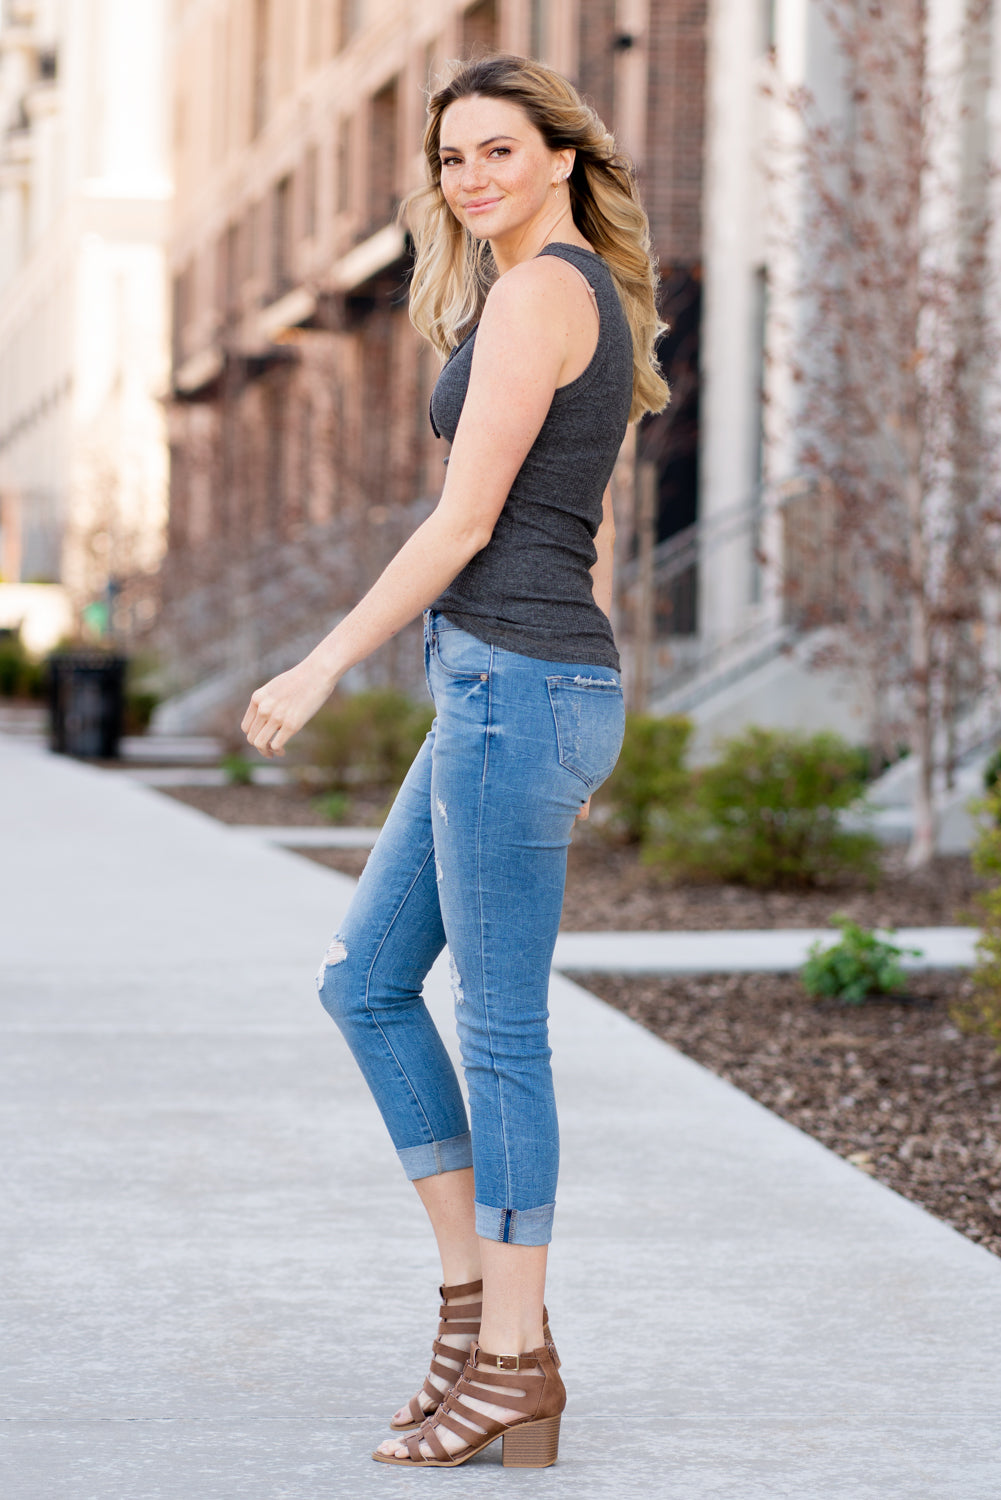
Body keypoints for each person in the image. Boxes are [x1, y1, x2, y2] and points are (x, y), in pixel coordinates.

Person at [241, 53, 668, 1470]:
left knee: (499, 1033)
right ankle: (474, 1310)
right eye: (450, 156)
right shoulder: (560, 295)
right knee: (364, 983)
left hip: (511, 685)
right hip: (510, 685)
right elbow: (576, 531)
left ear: (561, 158)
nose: (470, 176)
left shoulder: (543, 294)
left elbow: (464, 523)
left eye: (497, 149)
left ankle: (514, 1361)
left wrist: (320, 664)